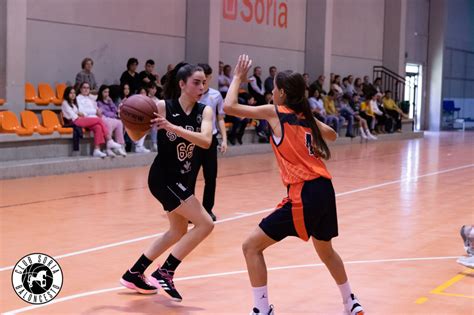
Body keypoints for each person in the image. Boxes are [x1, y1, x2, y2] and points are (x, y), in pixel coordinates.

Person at [224, 55, 364, 315]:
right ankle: (351, 302)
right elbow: (332, 135)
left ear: (281, 93)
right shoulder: (305, 117)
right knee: (326, 250)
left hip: (305, 191)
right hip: (325, 190)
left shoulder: (275, 112)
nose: (271, 92)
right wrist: (312, 122)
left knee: (251, 246)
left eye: (273, 88)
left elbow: (229, 106)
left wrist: (237, 78)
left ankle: (261, 310)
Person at [120, 63, 215, 302]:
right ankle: (166, 270)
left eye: (204, 82)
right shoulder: (163, 107)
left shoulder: (205, 111)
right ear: (182, 84)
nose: (201, 87)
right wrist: (129, 120)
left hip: (182, 178)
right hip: (164, 177)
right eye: (196, 82)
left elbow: (205, 141)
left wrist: (173, 128)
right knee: (205, 223)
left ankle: (134, 273)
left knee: (178, 230)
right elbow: (135, 136)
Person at [188, 63, 228, 222]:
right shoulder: (190, 94)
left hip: (210, 140)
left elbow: (220, 118)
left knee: (211, 177)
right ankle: (190, 211)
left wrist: (224, 139)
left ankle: (207, 210)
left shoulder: (215, 95)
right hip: (193, 140)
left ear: (209, 77)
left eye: (205, 78)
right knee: (189, 177)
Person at [61, 85, 122, 158]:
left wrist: (79, 113)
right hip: (74, 121)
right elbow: (72, 115)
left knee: (98, 127)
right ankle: (109, 139)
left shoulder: (73, 103)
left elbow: (77, 111)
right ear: (67, 94)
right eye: (71, 93)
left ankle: (96, 150)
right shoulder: (65, 102)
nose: (73, 94)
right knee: (99, 119)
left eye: (74, 93)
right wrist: (79, 115)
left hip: (78, 119)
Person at [96, 85, 127, 157]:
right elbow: (105, 113)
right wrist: (113, 115)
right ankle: (108, 148)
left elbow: (115, 111)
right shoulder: (99, 102)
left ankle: (120, 145)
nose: (106, 94)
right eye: (105, 92)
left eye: (108, 92)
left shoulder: (109, 101)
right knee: (109, 123)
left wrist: (111, 103)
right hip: (104, 119)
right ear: (101, 93)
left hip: (111, 118)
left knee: (119, 123)